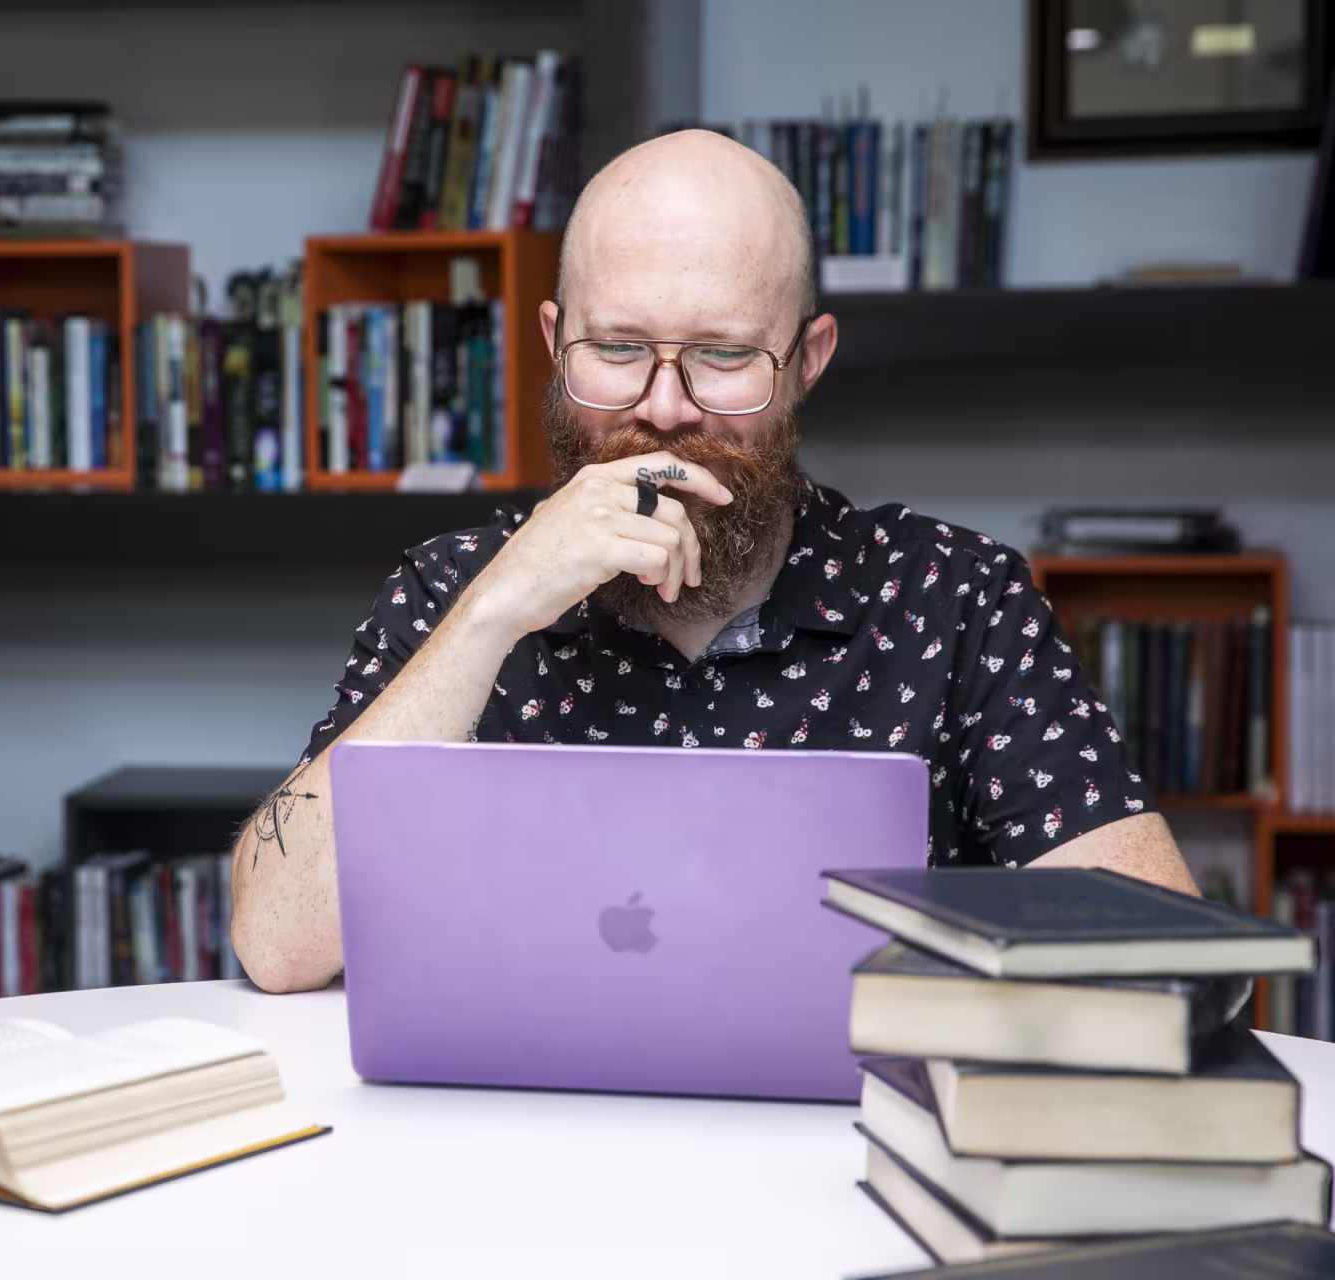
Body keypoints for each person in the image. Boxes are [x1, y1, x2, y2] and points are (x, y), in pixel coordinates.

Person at [229, 129, 1197, 995]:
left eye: (723, 356)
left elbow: (1160, 966)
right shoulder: (454, 588)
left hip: (844, 1162)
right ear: (551, 339)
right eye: (616, 346)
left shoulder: (955, 598)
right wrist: (493, 614)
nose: (664, 406)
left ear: (808, 358)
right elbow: (279, 945)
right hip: (518, 1150)